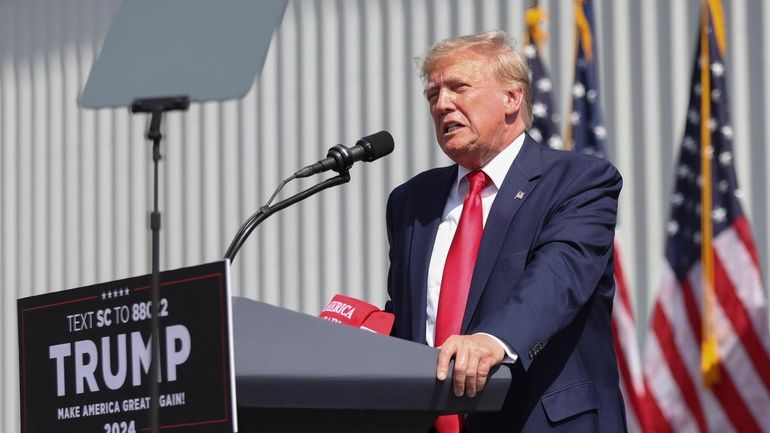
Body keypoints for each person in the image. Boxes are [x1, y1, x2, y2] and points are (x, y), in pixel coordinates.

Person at [385, 31, 627, 432]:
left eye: (459, 87)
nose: (443, 103)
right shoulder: (411, 202)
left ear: (512, 99)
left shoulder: (579, 181)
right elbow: (410, 316)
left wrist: (493, 340)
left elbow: (556, 279)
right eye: (433, 95)